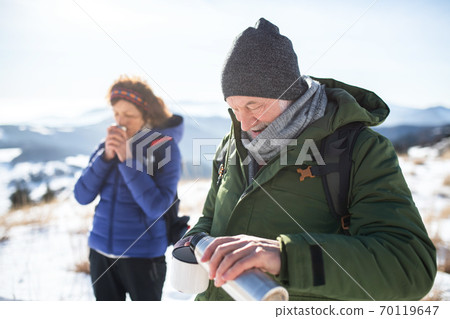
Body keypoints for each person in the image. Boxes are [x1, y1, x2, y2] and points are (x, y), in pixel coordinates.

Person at [178, 18, 436, 301]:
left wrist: (286, 257)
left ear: (290, 94)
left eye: (254, 106)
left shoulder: (360, 151)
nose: (244, 122)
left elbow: (409, 267)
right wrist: (196, 241)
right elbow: (211, 217)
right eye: (234, 107)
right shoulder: (232, 144)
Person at [74, 75, 183, 300]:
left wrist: (127, 161)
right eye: (116, 114)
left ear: (147, 116)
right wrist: (105, 158)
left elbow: (157, 207)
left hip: (142, 257)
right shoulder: (106, 147)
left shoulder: (164, 150)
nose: (120, 121)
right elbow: (82, 196)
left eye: (129, 115)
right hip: (100, 253)